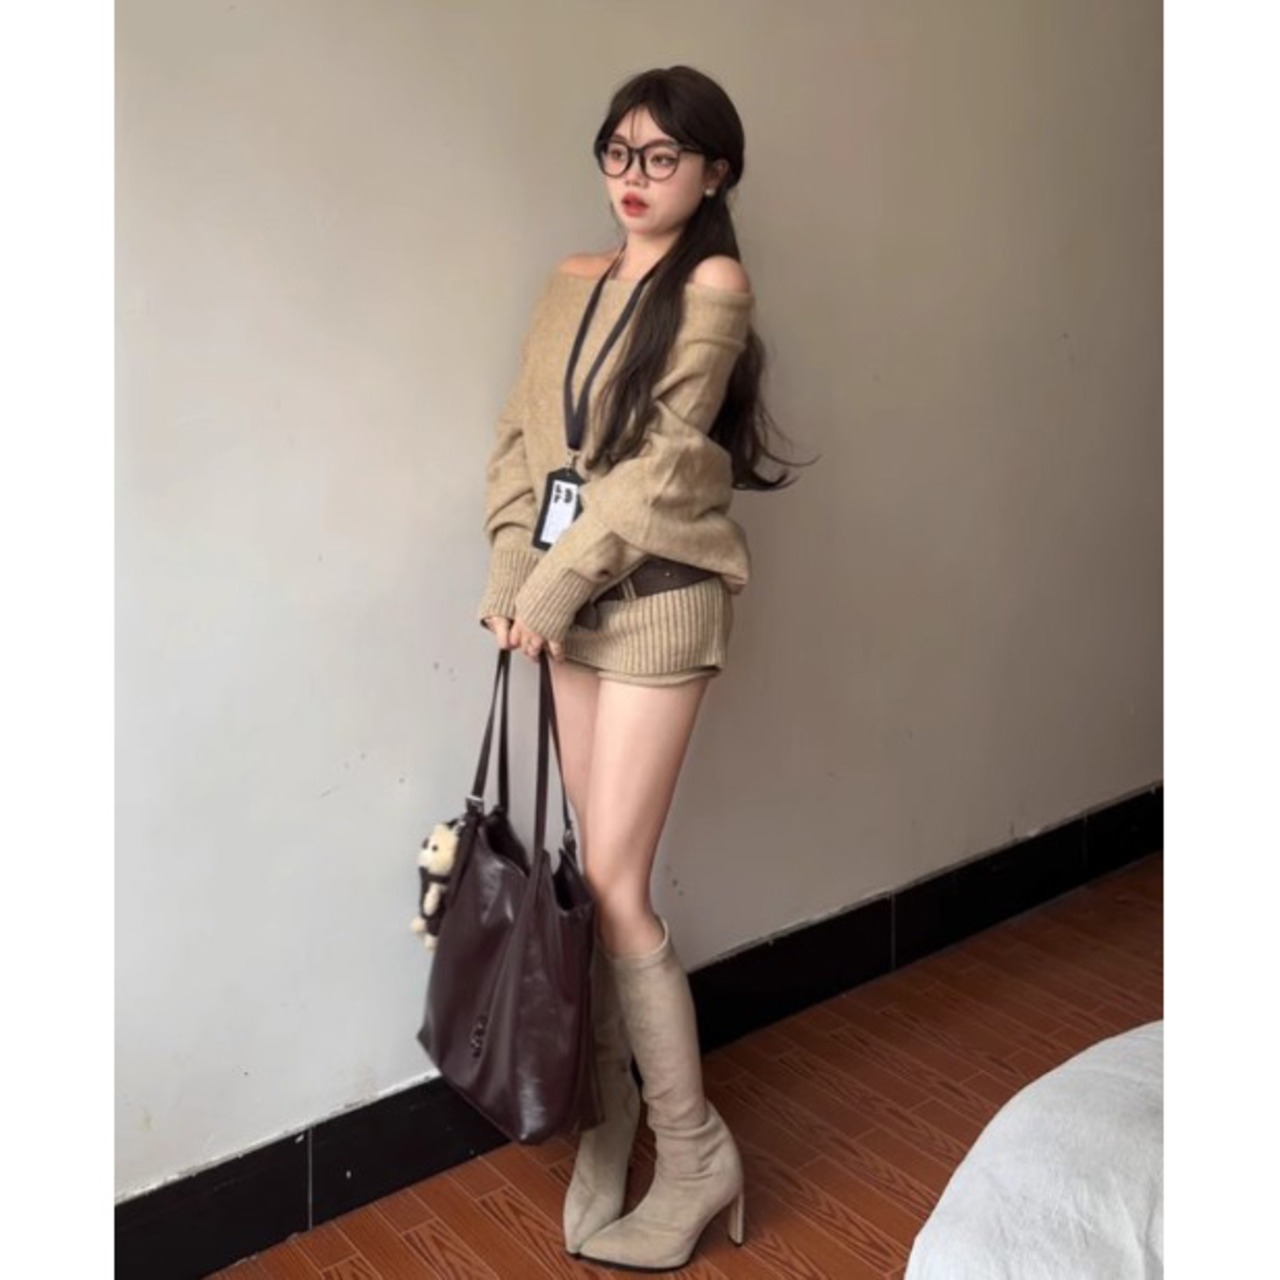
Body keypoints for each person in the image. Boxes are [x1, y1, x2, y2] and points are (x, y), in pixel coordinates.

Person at [476, 65, 796, 1273]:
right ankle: (609, 1119)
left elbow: (659, 467)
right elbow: (522, 437)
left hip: (656, 600)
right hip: (571, 600)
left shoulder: (712, 284)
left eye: (661, 157)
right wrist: (513, 565)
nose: (633, 176)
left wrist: (550, 587)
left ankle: (695, 1146)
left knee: (613, 880)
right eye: (618, 150)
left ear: (714, 172)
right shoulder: (572, 279)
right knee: (588, 872)